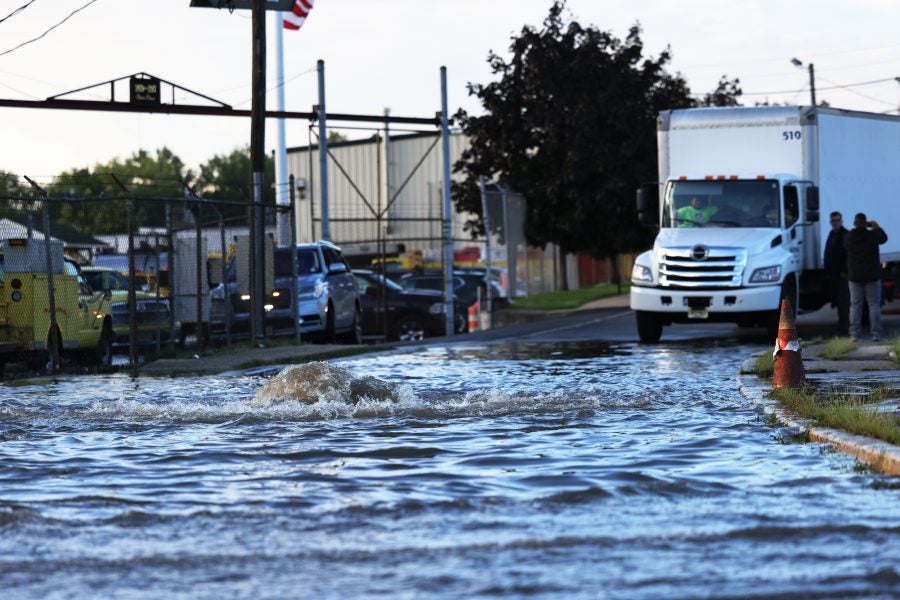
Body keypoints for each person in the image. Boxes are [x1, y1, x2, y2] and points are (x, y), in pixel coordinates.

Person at [843, 212, 889, 341]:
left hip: (855, 277)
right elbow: (884, 238)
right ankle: (876, 334)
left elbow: (845, 245)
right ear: (865, 223)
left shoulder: (848, 237)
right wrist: (876, 227)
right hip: (872, 276)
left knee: (855, 305)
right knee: (874, 305)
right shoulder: (872, 235)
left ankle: (854, 334)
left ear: (854, 223)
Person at [823, 211, 850, 336]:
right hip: (833, 275)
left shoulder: (846, 235)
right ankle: (841, 327)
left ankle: (844, 329)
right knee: (838, 303)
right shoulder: (831, 234)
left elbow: (849, 255)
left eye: (837, 220)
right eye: (833, 221)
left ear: (842, 221)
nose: (835, 223)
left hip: (842, 276)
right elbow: (828, 252)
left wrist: (845, 271)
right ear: (830, 222)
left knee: (844, 303)